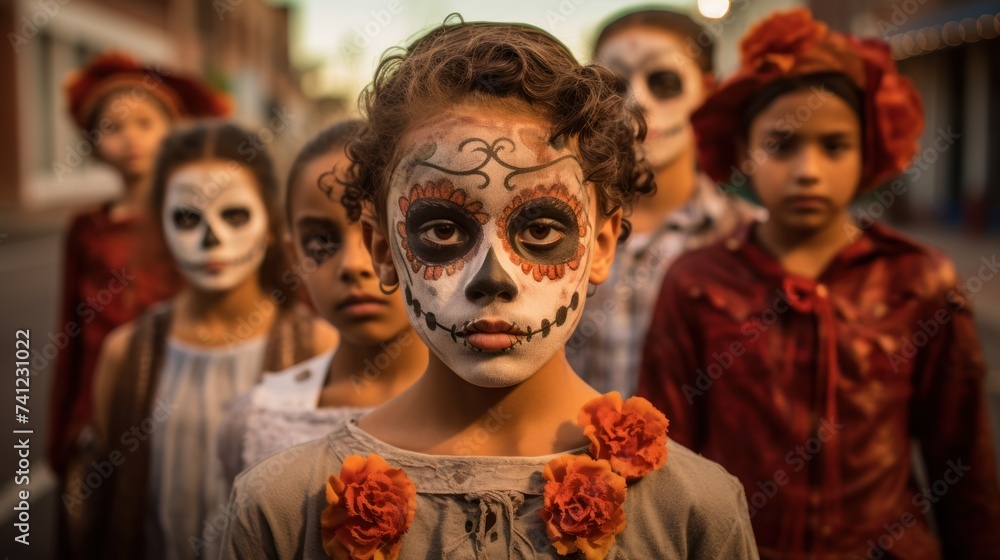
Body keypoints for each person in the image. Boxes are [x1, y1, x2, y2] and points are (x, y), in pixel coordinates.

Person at [221, 18, 758, 559]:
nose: (493, 280)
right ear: (384, 249)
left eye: (541, 229)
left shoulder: (695, 512)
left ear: (600, 245)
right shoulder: (283, 511)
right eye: (443, 230)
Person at [638, 9, 1000, 559]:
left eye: (834, 146)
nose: (808, 169)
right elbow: (665, 454)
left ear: (868, 151)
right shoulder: (696, 282)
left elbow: (964, 461)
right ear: (743, 153)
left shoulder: (918, 279)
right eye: (782, 145)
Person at [89, 122, 337, 560]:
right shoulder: (124, 353)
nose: (211, 239)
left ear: (268, 221)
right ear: (162, 225)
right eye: (187, 218)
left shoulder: (321, 348)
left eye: (234, 215)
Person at [49, 52, 231, 559]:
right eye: (113, 126)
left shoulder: (195, 217)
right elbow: (68, 333)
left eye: (145, 123)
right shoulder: (87, 228)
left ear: (173, 130)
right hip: (97, 403)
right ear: (92, 142)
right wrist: (62, 430)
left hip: (176, 397)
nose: (130, 137)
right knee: (101, 527)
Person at [217, 119, 427, 483]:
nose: (352, 265)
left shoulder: (488, 411)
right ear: (293, 252)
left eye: (379, 233)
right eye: (320, 242)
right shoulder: (257, 419)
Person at [566, 9, 762, 396]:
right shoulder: (556, 229)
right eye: (616, 86)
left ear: (708, 91)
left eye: (665, 82)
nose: (636, 102)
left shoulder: (751, 237)